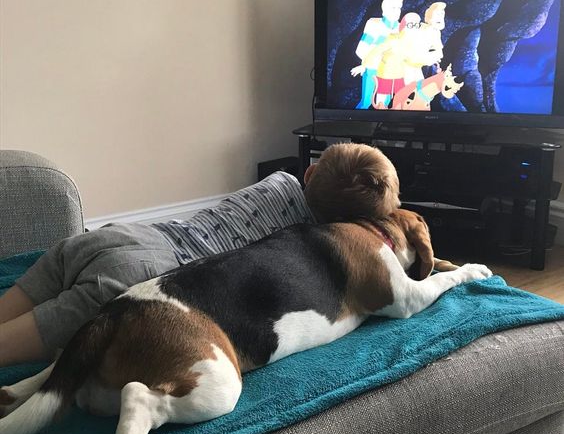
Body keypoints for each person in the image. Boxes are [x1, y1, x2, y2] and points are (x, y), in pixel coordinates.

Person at [0, 143, 399, 368]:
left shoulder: (279, 181)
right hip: (151, 275)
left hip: (124, 235)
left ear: (309, 174)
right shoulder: (315, 243)